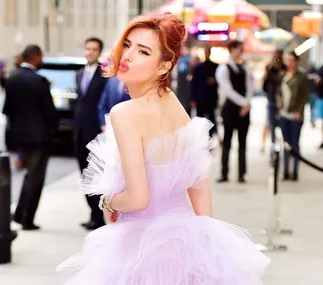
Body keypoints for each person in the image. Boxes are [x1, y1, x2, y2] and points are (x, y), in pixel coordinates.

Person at [57, 12, 269, 284]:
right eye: (128, 44)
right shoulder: (172, 101)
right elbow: (198, 183)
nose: (128, 55)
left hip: (141, 248)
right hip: (183, 244)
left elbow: (137, 199)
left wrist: (106, 201)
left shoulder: (125, 112)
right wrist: (203, 241)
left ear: (162, 66)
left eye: (143, 51)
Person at [3, 45, 58, 230]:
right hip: (39, 137)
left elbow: (7, 110)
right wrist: (53, 129)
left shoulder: (12, 77)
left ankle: (20, 214)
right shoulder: (40, 81)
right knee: (35, 178)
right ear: (35, 57)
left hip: (20, 137)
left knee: (29, 176)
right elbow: (49, 112)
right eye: (41, 56)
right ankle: (27, 218)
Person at [74, 37, 107, 230]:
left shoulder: (105, 74)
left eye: (94, 49)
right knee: (84, 176)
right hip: (79, 132)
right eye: (88, 49)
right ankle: (93, 214)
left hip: (96, 132)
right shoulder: (78, 74)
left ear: (99, 52)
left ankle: (98, 215)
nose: (90, 52)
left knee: (96, 175)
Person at [215, 41, 253, 183]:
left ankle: (242, 173)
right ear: (231, 50)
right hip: (230, 109)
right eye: (237, 49)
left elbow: (250, 86)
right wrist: (244, 103)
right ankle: (224, 173)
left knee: (243, 143)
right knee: (227, 142)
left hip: (244, 109)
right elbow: (228, 90)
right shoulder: (223, 69)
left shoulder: (245, 68)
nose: (240, 51)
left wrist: (247, 104)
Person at [276, 52, 309, 181]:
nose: (289, 63)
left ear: (297, 61)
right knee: (286, 143)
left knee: (295, 143)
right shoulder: (282, 75)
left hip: (296, 115)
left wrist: (299, 111)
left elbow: (304, 96)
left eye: (292, 60)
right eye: (287, 60)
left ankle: (294, 171)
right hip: (284, 113)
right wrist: (279, 102)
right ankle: (285, 170)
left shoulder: (302, 77)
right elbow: (278, 92)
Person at [190, 46, 220, 139]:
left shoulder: (215, 66)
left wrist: (214, 81)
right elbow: (194, 83)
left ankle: (209, 139)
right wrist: (193, 99)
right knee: (200, 120)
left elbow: (219, 81)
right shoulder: (199, 67)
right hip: (200, 98)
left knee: (211, 120)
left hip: (211, 98)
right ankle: (200, 139)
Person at [261, 50, 286, 152]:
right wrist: (268, 71)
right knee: (270, 123)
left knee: (283, 123)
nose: (277, 59)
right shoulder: (269, 68)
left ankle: (285, 144)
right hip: (271, 100)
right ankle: (272, 143)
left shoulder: (285, 68)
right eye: (276, 57)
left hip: (283, 101)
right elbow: (264, 86)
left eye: (279, 57)